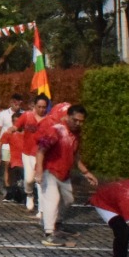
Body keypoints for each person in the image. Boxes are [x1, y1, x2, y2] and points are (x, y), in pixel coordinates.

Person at [35, 103, 97, 247]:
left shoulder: (76, 134)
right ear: (68, 117)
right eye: (75, 120)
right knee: (53, 199)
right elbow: (40, 150)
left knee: (68, 200)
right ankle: (49, 234)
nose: (78, 123)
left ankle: (57, 223)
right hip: (49, 171)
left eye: (81, 121)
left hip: (64, 173)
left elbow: (75, 156)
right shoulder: (56, 130)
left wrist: (86, 172)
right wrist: (38, 170)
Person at [17, 94, 50, 214]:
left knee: (40, 182)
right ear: (34, 106)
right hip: (27, 153)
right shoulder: (27, 115)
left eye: (44, 107)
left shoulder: (50, 119)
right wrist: (12, 129)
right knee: (29, 180)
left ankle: (41, 210)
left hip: (41, 155)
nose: (42, 109)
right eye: (39, 107)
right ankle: (29, 195)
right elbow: (16, 126)